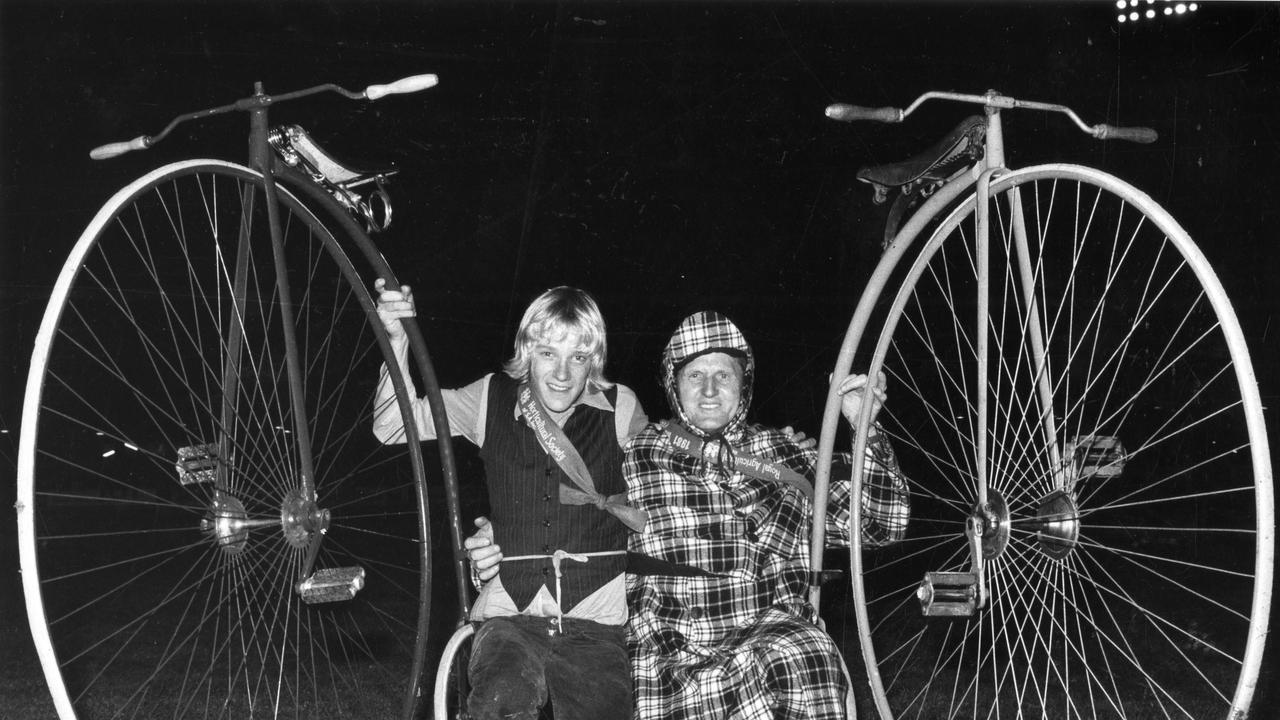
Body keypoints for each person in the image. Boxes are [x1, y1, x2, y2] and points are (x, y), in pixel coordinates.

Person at [372, 280, 647, 720]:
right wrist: (397, 339)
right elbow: (391, 426)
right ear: (527, 351)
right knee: (500, 694)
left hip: (596, 624)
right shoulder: (489, 398)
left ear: (592, 361)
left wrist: (776, 448)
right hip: (508, 618)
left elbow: (677, 470)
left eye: (577, 357)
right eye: (547, 353)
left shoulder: (623, 409)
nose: (561, 374)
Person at [624, 310, 909, 720]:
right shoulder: (637, 452)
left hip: (770, 635)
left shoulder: (784, 452)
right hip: (671, 651)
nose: (708, 390)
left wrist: (862, 423)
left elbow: (884, 523)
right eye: (694, 375)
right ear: (673, 384)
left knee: (804, 653)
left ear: (744, 384)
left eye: (723, 375)